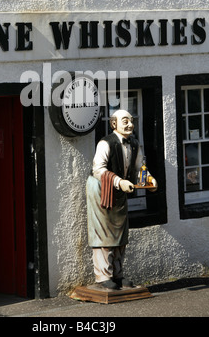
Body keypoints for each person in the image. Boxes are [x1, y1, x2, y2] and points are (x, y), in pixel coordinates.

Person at [86, 109, 157, 290]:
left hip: (119, 191)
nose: (129, 124)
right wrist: (119, 181)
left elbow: (140, 167)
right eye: (125, 120)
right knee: (103, 234)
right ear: (114, 124)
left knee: (121, 233)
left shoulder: (133, 143)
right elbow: (98, 170)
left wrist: (149, 179)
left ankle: (117, 274)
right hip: (101, 190)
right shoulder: (105, 143)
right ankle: (103, 276)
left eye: (131, 121)